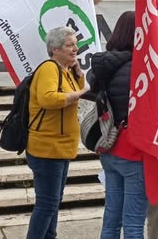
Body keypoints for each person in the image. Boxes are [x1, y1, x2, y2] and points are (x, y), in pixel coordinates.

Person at [88, 12, 149, 239]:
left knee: (111, 219)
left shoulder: (102, 66)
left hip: (108, 145)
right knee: (133, 225)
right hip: (132, 150)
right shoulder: (139, 68)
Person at [26, 27, 87, 239]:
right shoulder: (49, 68)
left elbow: (72, 90)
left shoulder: (65, 70)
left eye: (75, 44)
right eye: (69, 45)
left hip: (60, 148)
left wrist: (78, 73)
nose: (75, 49)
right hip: (47, 149)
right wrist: (78, 95)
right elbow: (48, 98)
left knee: (52, 203)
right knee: (47, 204)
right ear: (54, 49)